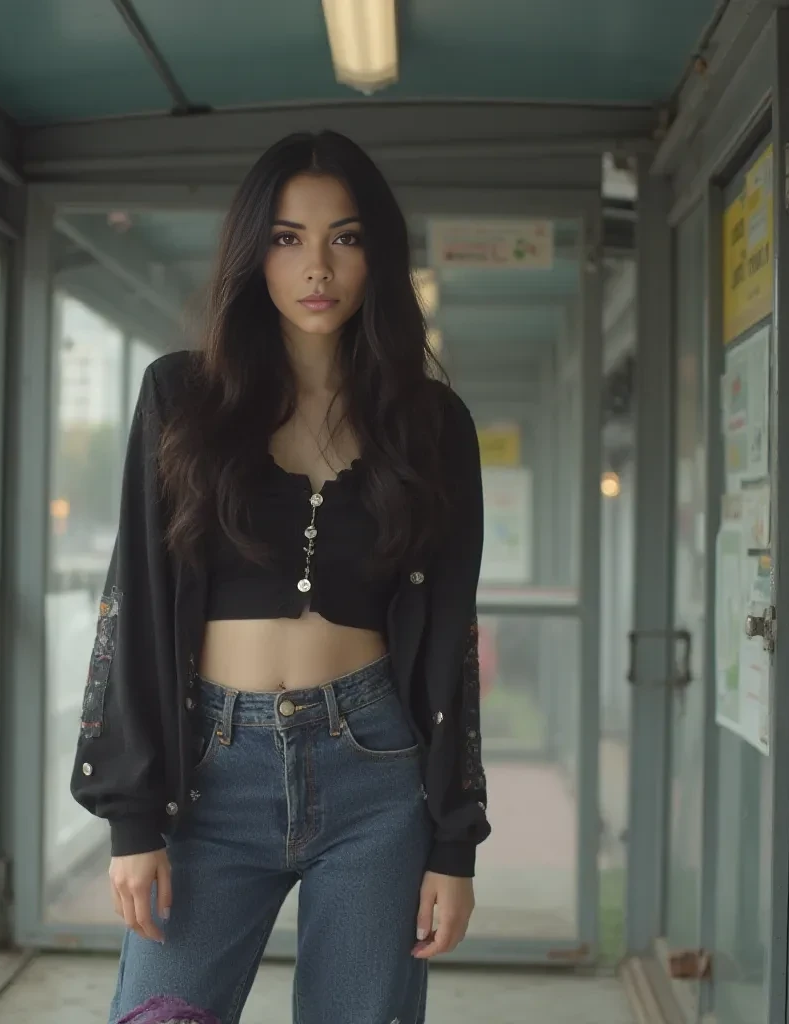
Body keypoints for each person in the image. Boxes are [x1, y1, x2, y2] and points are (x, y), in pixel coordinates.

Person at [71, 130, 491, 1024]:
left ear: (376, 254)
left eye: (344, 237)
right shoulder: (182, 398)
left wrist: (454, 844)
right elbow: (137, 607)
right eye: (287, 238)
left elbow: (450, 634)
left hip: (375, 770)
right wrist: (133, 822)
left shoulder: (431, 423)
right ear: (251, 252)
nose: (317, 268)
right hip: (210, 770)